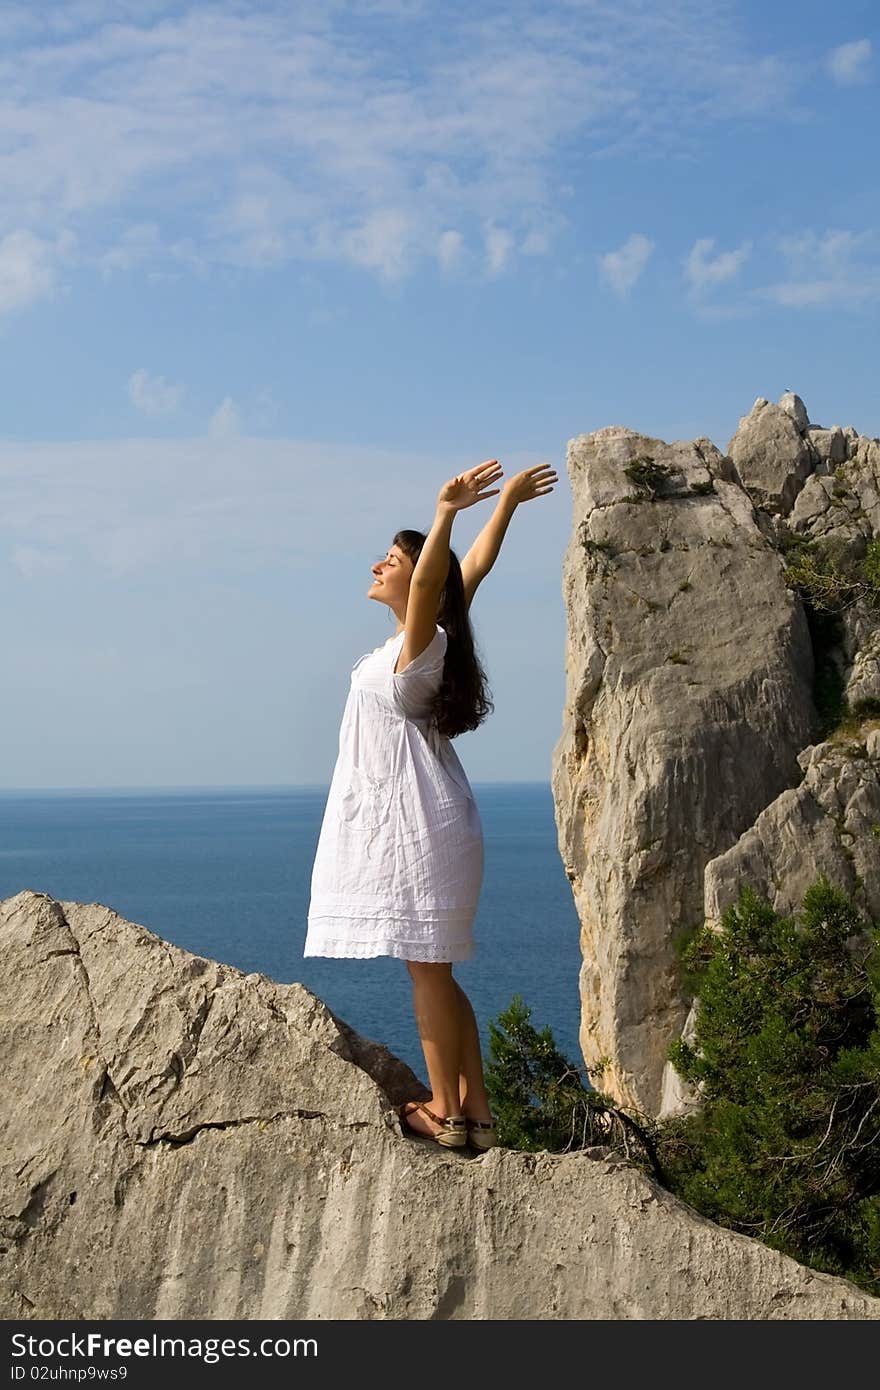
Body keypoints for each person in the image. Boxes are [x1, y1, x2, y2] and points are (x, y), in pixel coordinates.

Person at [304, 458, 558, 1150]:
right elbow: (468, 569)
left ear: (416, 579)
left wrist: (445, 512)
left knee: (426, 974)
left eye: (389, 560)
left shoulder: (421, 642)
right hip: (428, 821)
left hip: (418, 826)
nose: (377, 566)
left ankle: (444, 1111)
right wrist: (502, 504)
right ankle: (474, 1114)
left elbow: (438, 577)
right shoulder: (420, 639)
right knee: (436, 972)